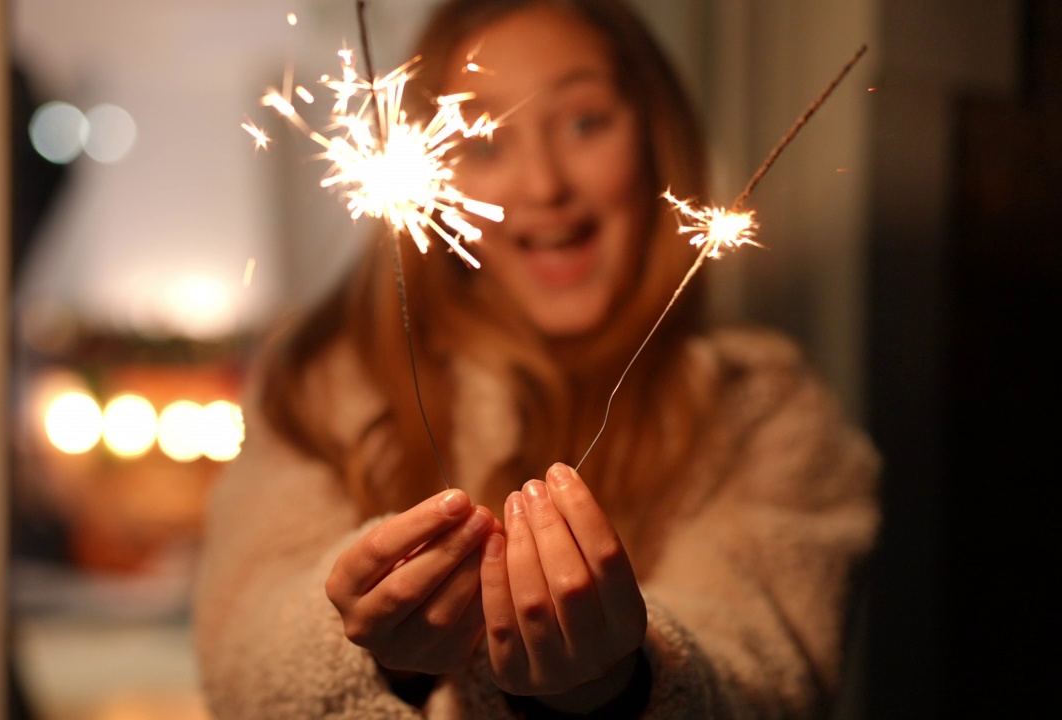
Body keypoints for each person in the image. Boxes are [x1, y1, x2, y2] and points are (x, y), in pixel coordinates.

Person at [193, 0, 880, 717]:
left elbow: (769, 677)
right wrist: (362, 640)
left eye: (585, 122)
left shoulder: (758, 408)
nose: (544, 187)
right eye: (485, 143)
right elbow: (240, 660)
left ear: (655, 133)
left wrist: (622, 681)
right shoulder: (324, 385)